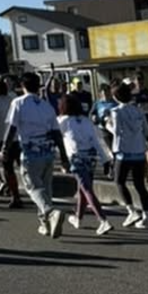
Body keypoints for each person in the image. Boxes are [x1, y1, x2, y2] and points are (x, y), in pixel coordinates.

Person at [5, 72, 66, 238]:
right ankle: (45, 224)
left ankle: (50, 212)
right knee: (46, 189)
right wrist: (64, 157)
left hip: (31, 151)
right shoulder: (46, 106)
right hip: (48, 151)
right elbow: (56, 133)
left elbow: (12, 129)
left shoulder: (18, 102)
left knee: (32, 187)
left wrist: (4, 149)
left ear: (23, 86)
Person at [57, 93, 113, 236]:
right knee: (82, 188)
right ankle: (78, 218)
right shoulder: (86, 121)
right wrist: (105, 159)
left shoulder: (62, 121)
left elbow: (54, 136)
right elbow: (96, 140)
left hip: (76, 157)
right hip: (90, 156)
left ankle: (103, 220)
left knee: (86, 188)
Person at [106, 82, 148, 229]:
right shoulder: (138, 111)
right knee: (140, 185)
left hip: (123, 152)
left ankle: (131, 210)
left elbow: (117, 131)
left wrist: (107, 125)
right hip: (139, 151)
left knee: (119, 181)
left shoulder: (116, 112)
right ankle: (147, 216)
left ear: (115, 97)